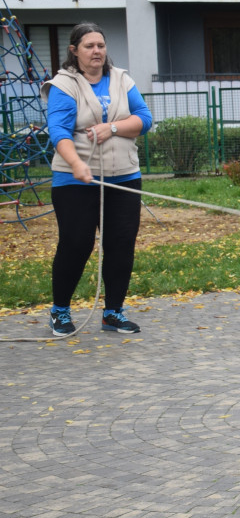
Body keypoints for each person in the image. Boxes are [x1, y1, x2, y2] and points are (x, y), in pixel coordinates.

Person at [41, 22, 154, 336]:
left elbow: (144, 119)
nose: (97, 51)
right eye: (89, 46)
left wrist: (112, 127)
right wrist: (76, 164)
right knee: (77, 244)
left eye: (101, 46)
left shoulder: (121, 79)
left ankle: (113, 312)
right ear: (74, 51)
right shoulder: (64, 84)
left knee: (120, 245)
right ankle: (59, 312)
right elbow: (59, 133)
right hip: (76, 181)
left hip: (124, 178)